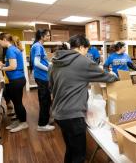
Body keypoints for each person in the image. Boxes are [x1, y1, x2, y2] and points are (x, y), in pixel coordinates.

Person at [49, 35, 118, 163]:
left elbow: (51, 87)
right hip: (73, 115)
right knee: (79, 155)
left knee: (70, 149)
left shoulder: (55, 62)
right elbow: (105, 76)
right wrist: (115, 76)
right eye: (87, 49)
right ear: (81, 47)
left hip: (58, 114)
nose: (86, 53)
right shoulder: (82, 61)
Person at [0, 33, 28, 133]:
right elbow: (11, 64)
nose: (0, 44)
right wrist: (3, 64)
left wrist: (1, 67)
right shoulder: (12, 49)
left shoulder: (10, 50)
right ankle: (19, 120)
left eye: (0, 41)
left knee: (18, 103)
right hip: (16, 79)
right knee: (16, 102)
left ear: (4, 39)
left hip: (17, 80)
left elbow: (13, 67)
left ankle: (23, 123)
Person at [30, 29, 55, 131]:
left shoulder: (38, 46)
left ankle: (45, 120)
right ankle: (42, 125)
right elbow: (36, 63)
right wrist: (49, 68)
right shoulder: (37, 46)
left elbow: (42, 61)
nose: (49, 37)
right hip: (42, 77)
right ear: (41, 36)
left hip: (42, 76)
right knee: (45, 101)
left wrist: (50, 64)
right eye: (47, 35)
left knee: (46, 100)